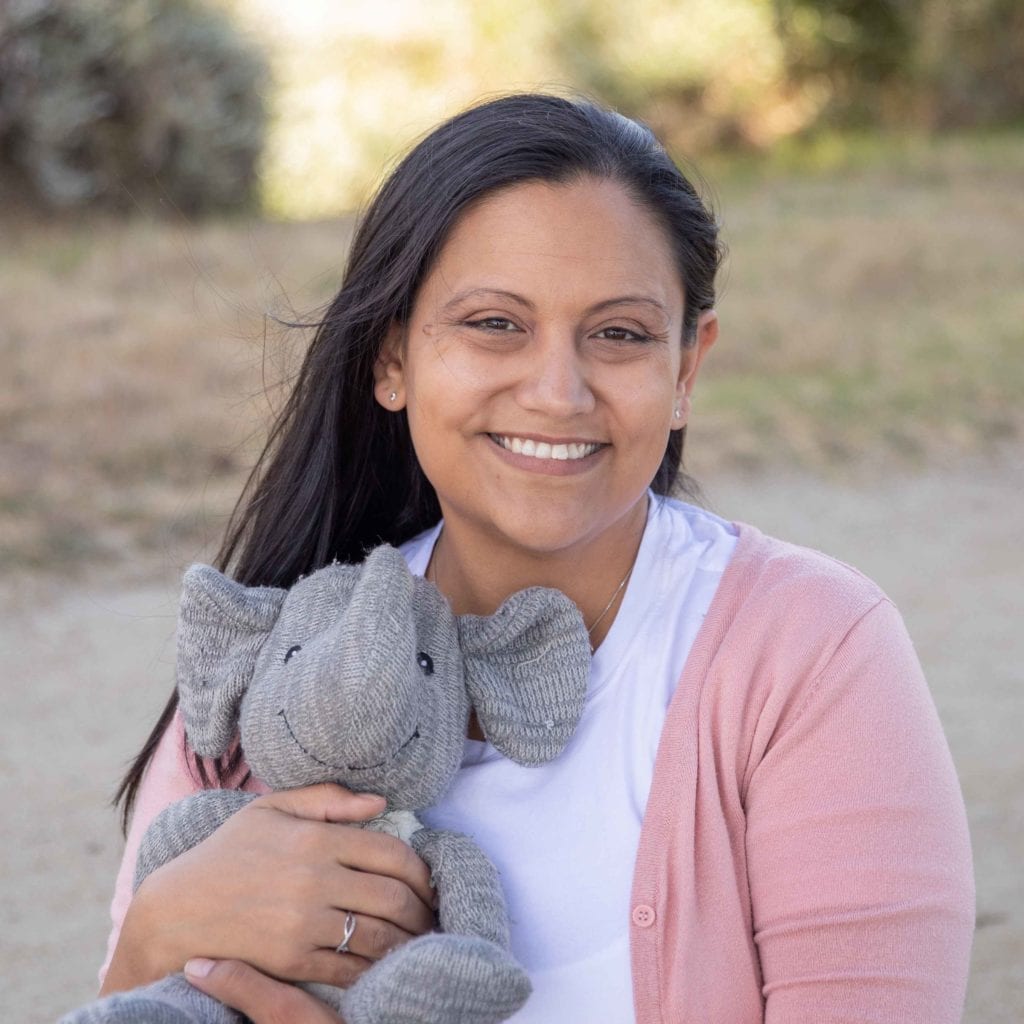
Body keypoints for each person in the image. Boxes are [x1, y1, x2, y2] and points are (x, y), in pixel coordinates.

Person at [95, 94, 974, 1023]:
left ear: (685, 370)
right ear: (392, 359)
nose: (558, 392)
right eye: (494, 324)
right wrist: (152, 941)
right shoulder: (273, 660)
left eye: (620, 334)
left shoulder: (811, 652)